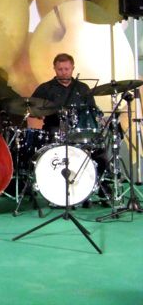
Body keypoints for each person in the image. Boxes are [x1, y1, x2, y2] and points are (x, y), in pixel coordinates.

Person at [31, 53, 109, 206]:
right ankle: (56, 192)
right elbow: (32, 109)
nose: (63, 72)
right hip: (55, 130)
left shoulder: (82, 88)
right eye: (60, 69)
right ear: (54, 69)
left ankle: (103, 189)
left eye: (66, 69)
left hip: (80, 131)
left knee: (99, 149)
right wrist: (38, 113)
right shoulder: (45, 88)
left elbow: (92, 110)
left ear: (73, 68)